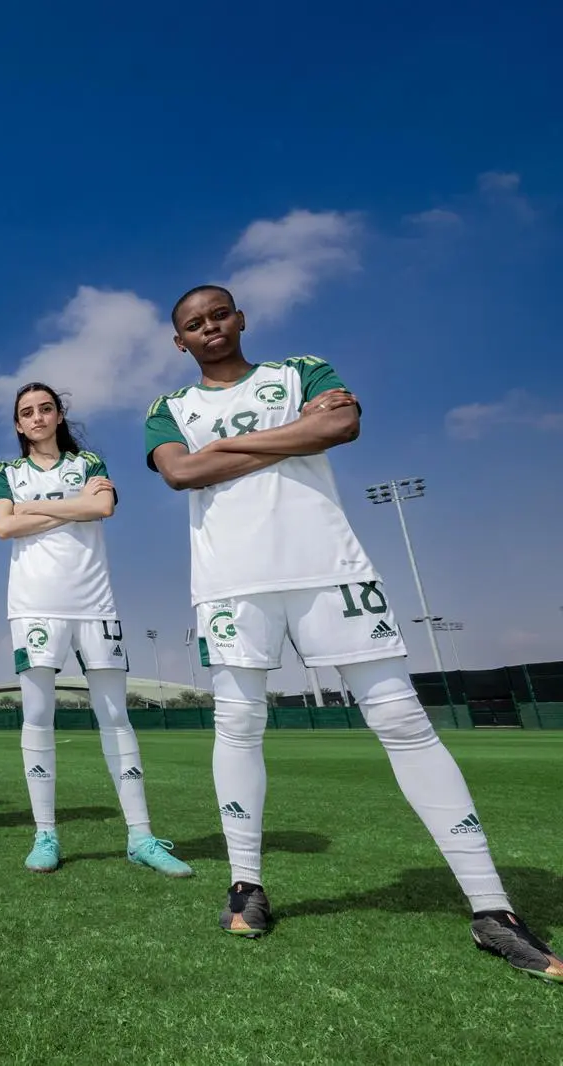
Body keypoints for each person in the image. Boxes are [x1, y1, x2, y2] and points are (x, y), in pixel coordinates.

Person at [146, 284, 561, 981]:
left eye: (219, 314)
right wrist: (289, 434)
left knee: (402, 720)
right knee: (238, 724)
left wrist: (230, 446)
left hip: (329, 567)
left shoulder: (300, 370)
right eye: (194, 323)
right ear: (179, 341)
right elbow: (182, 471)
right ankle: (245, 886)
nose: (209, 327)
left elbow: (338, 427)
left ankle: (492, 909)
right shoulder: (169, 407)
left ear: (241, 318)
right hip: (229, 582)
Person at [0, 382, 192, 878]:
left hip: (95, 603)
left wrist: (32, 508)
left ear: (59, 415)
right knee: (38, 716)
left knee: (115, 716)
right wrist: (69, 506)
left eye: (45, 409)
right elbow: (4, 527)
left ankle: (140, 836)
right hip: (34, 606)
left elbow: (101, 509)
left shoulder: (88, 463)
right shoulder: (6, 472)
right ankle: (45, 834)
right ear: (18, 425)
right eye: (27, 412)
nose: (37, 417)